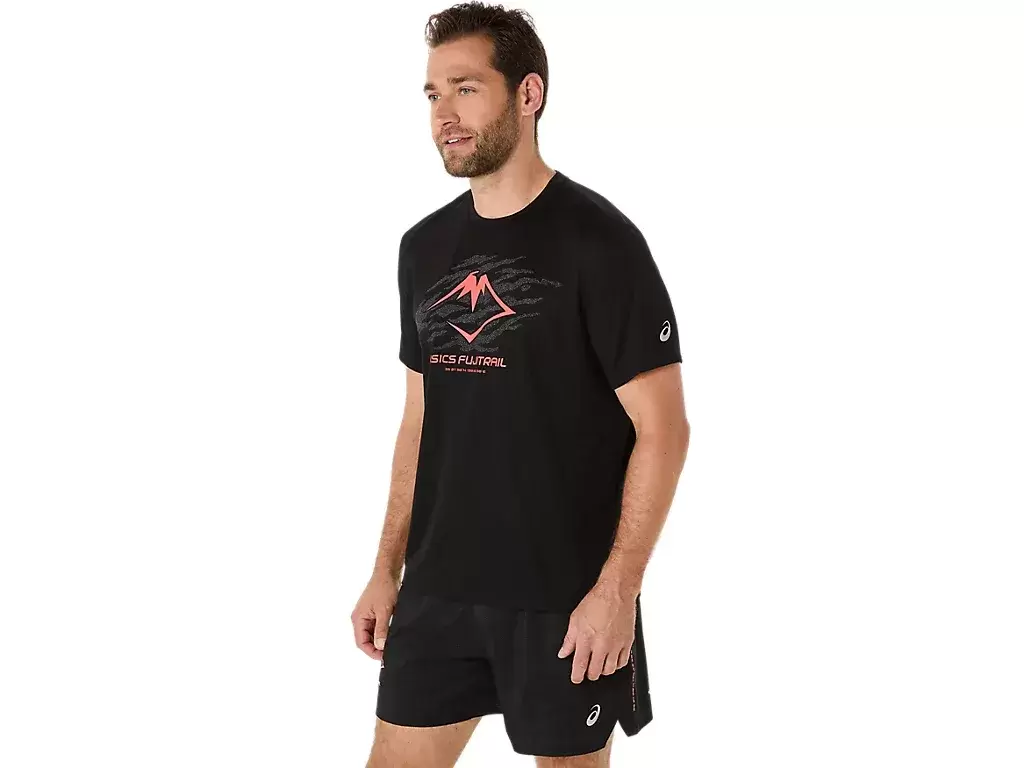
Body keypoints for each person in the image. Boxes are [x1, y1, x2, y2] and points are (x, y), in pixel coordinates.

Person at [351, 3, 690, 765]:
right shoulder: (424, 247)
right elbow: (420, 422)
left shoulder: (601, 243)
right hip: (439, 589)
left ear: (528, 94)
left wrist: (618, 591)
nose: (444, 114)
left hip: (562, 599)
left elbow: (664, 429)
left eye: (466, 88)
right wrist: (385, 569)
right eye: (433, 93)